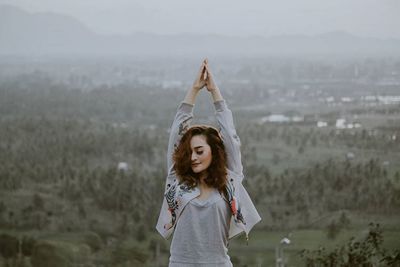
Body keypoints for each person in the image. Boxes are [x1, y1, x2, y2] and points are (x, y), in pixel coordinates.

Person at [156, 59, 261, 266]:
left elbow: (231, 138)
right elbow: (177, 132)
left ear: (214, 152)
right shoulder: (177, 182)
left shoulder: (229, 181)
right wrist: (194, 89)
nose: (193, 157)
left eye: (199, 151)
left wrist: (215, 93)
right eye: (190, 152)